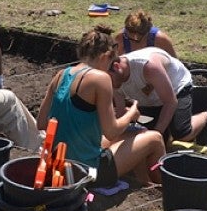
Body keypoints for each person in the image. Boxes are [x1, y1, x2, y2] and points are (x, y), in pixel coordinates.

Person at [37, 26, 165, 187]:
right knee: (155, 138)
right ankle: (165, 186)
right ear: (105, 56)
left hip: (58, 166)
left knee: (136, 134)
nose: (110, 69)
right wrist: (131, 114)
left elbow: (41, 123)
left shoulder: (61, 75)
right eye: (111, 63)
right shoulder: (100, 78)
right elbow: (111, 132)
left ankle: (144, 182)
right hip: (89, 172)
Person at [108, 47, 207, 146]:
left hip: (176, 91)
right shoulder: (110, 76)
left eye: (109, 78)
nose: (107, 83)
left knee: (181, 133)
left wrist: (155, 136)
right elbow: (121, 112)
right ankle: (164, 126)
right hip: (148, 99)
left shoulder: (148, 66)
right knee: (143, 132)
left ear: (117, 67)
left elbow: (171, 102)